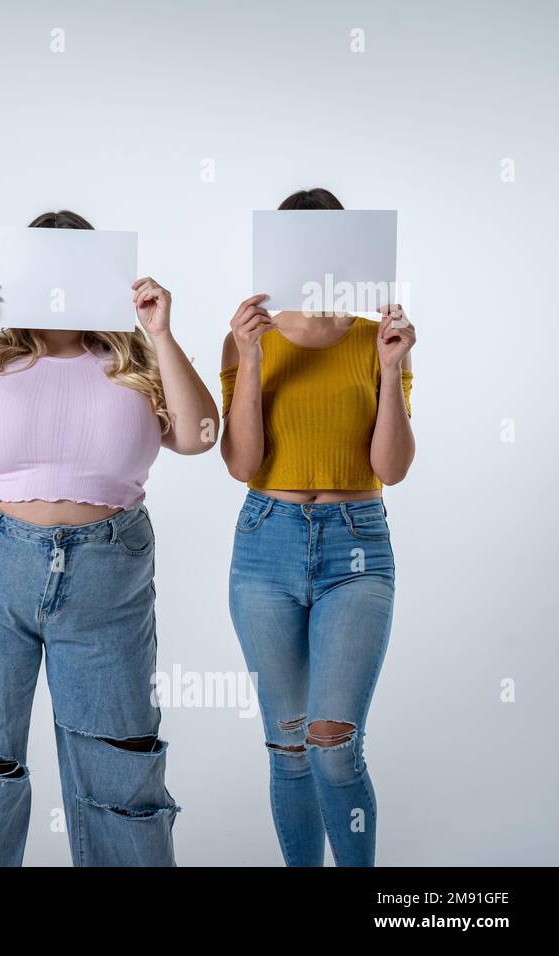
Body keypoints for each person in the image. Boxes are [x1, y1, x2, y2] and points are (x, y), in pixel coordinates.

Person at [0, 210, 217, 866]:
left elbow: (198, 436)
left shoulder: (134, 358)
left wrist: (161, 332)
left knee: (121, 761)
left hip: (108, 575)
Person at [220, 188, 416, 866]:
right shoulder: (250, 337)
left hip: (356, 542)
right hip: (265, 540)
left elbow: (390, 467)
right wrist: (248, 360)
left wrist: (391, 371)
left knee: (333, 739)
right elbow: (241, 462)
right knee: (289, 744)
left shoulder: (375, 337)